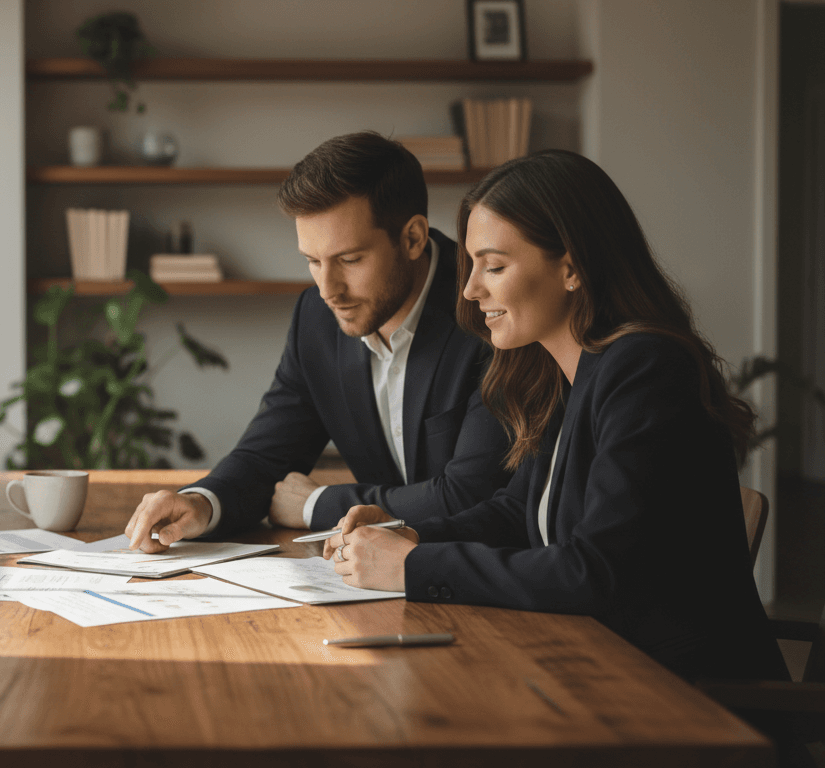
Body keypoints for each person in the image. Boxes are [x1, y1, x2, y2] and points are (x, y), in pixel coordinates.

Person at [325, 149, 788, 686]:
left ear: (572, 268)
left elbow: (596, 571)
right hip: (596, 668)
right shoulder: (567, 371)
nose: (472, 289)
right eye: (471, 265)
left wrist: (410, 567)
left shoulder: (646, 369)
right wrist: (406, 534)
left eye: (494, 266)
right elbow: (515, 512)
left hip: (684, 700)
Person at [125, 131, 513, 553]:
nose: (329, 289)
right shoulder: (316, 317)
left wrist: (316, 504)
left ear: (413, 239)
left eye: (349, 260)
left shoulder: (490, 311)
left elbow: (470, 495)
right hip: (375, 580)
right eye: (312, 261)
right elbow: (267, 457)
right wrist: (200, 502)